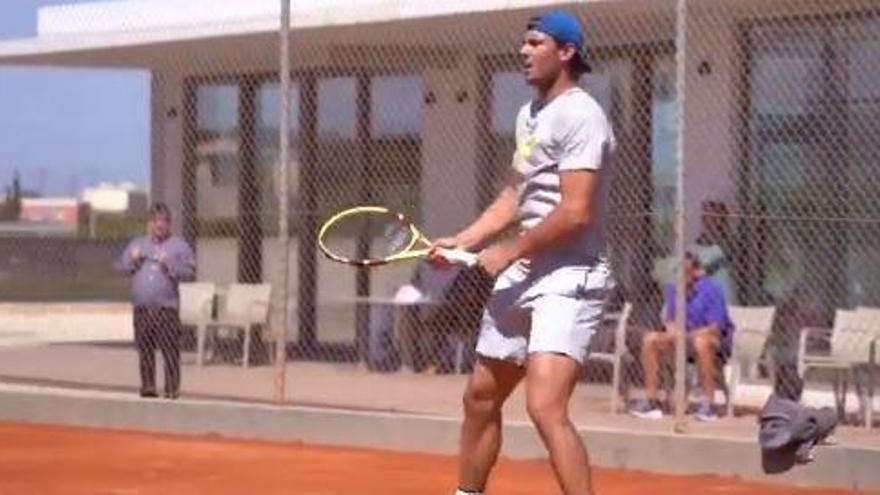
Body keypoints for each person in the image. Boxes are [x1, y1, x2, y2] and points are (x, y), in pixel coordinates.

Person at [431, 10, 615, 495]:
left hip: (571, 276)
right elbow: (516, 193)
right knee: (480, 397)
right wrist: (465, 240)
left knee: (545, 406)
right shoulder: (529, 115)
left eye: (535, 43)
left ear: (566, 52)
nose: (523, 52)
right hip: (525, 272)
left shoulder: (582, 115)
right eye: (525, 43)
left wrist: (507, 251)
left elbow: (575, 211)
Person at [630, 251, 733, 422]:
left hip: (712, 341)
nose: (682, 276)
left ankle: (709, 405)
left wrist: (686, 335)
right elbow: (670, 322)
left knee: (701, 343)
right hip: (683, 340)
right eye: (679, 271)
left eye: (686, 271)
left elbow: (715, 328)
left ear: (697, 272)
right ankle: (652, 400)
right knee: (651, 339)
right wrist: (673, 333)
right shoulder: (673, 288)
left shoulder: (712, 288)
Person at [119, 203, 195, 399]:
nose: (160, 225)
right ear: (149, 223)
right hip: (142, 308)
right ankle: (148, 387)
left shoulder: (179, 246)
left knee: (170, 351)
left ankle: (171, 389)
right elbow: (122, 267)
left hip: (166, 308)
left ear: (169, 224)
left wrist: (169, 264)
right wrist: (133, 260)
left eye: (164, 221)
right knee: (145, 350)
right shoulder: (138, 244)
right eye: (156, 221)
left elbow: (190, 271)